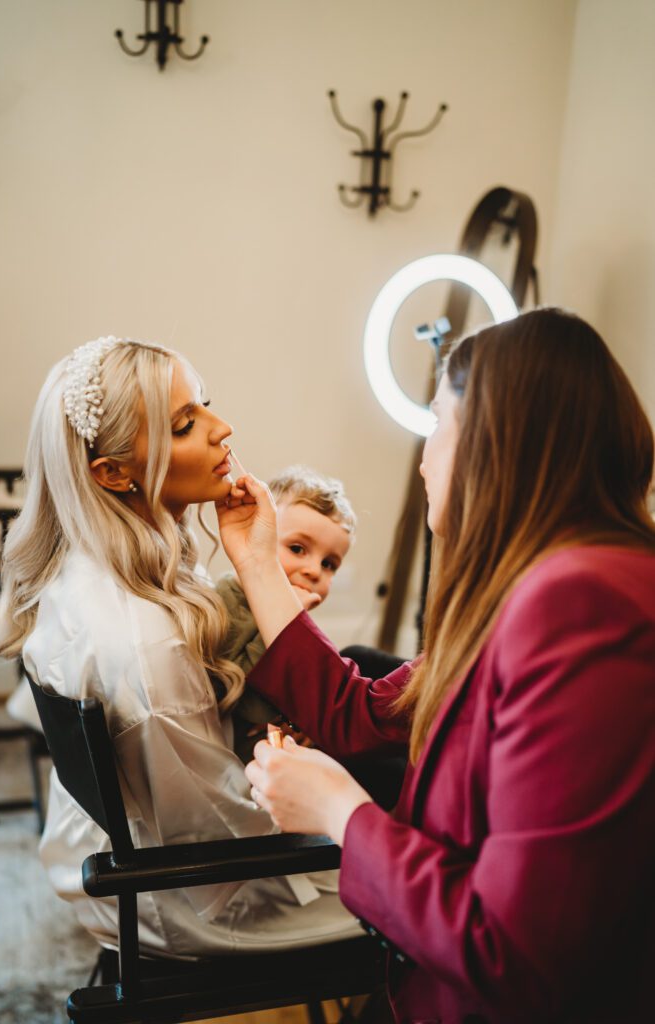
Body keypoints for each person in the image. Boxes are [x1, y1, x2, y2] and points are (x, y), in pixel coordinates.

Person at [216, 308, 655, 1024]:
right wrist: (256, 558)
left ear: (490, 442)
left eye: (436, 427)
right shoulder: (529, 587)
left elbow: (516, 954)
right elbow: (358, 716)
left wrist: (340, 812)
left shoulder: (580, 602)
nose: (422, 460)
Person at [0, 336, 361, 960]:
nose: (223, 428)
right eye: (186, 424)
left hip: (105, 847)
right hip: (180, 893)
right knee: (440, 903)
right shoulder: (146, 644)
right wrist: (353, 818)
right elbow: (213, 828)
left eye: (204, 405)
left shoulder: (104, 564)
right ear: (113, 473)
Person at [218, 464, 356, 762]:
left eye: (329, 564)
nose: (314, 570)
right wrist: (287, 622)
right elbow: (246, 702)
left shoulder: (297, 607)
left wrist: (304, 722)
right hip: (238, 758)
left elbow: (304, 687)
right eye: (297, 548)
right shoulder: (228, 600)